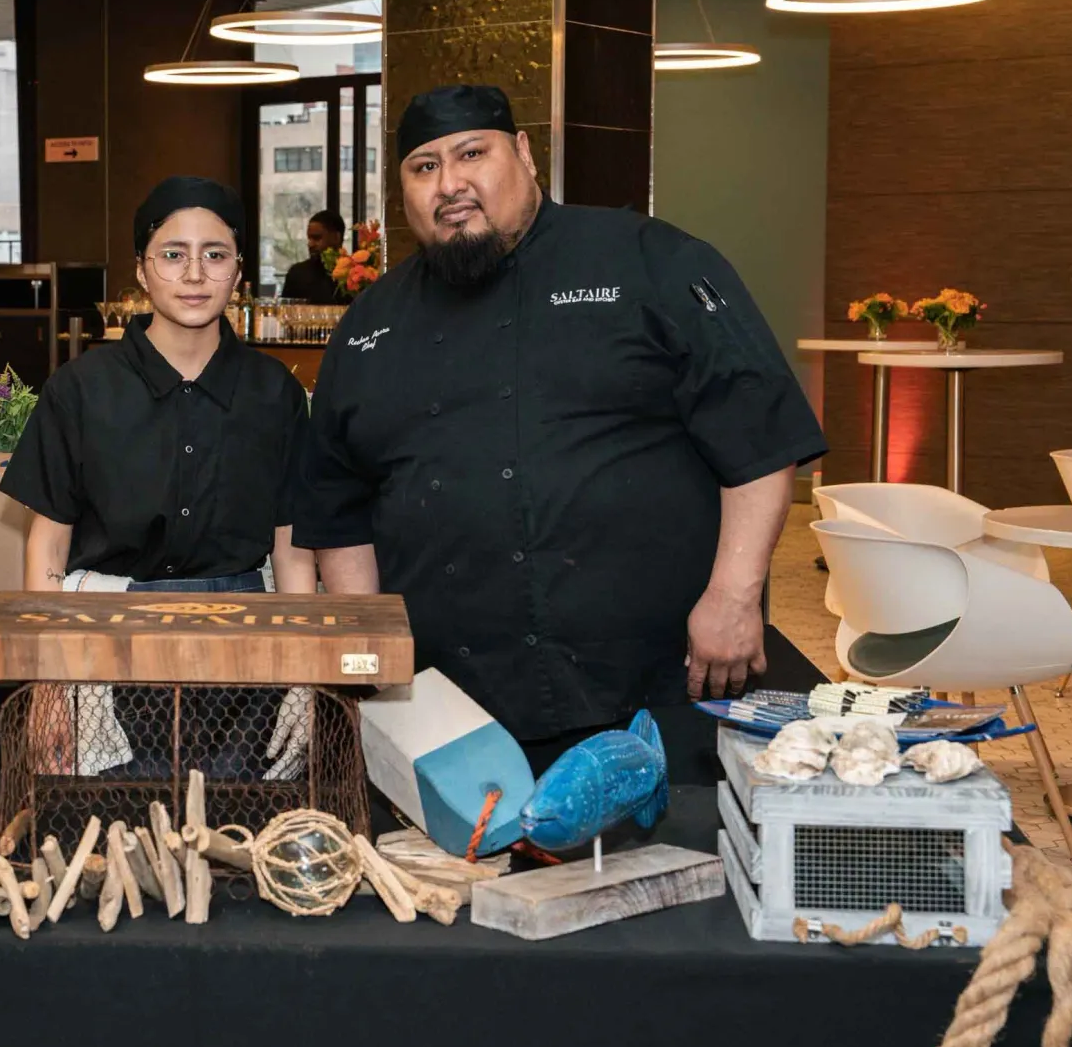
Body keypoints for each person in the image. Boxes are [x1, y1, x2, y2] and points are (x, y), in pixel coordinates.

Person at [295, 83, 826, 758]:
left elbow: (759, 437)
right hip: (450, 701)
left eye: (471, 154)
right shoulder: (369, 325)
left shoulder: (651, 259)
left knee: (664, 858)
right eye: (424, 167)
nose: (450, 183)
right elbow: (339, 505)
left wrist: (733, 595)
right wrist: (368, 657)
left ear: (523, 153)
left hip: (654, 683)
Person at [1, 175, 316, 596]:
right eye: (172, 255)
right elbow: (50, 541)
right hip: (107, 617)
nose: (194, 275)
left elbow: (290, 548)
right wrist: (46, 642)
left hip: (243, 622)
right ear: (142, 272)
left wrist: (296, 643)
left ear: (238, 273)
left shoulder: (275, 392)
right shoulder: (80, 389)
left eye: (216, 255)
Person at [279, 208, 350, 303]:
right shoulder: (297, 274)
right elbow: (285, 312)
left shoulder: (355, 275)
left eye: (317, 238)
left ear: (336, 237)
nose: (310, 244)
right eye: (309, 238)